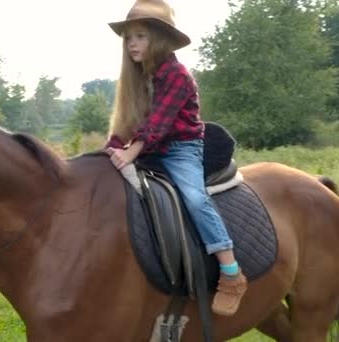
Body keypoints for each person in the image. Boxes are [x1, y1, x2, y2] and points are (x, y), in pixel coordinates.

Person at [104, 0, 247, 316]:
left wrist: (130, 151)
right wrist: (109, 149)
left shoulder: (177, 74)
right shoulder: (139, 78)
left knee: (194, 199)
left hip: (181, 148)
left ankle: (231, 271)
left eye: (140, 36)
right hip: (150, 147)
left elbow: (158, 121)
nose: (132, 44)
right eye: (129, 38)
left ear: (159, 38)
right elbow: (128, 121)